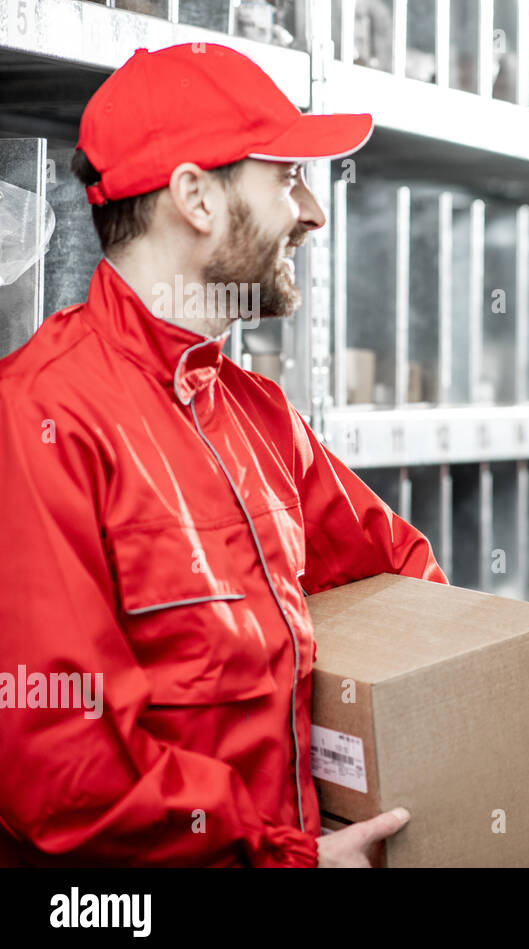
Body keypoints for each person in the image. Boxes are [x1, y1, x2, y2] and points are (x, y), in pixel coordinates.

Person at [0, 44, 438, 867]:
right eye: (285, 177)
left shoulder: (257, 413)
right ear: (196, 197)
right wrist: (287, 859)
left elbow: (405, 586)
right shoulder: (38, 418)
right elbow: (62, 769)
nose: (313, 212)